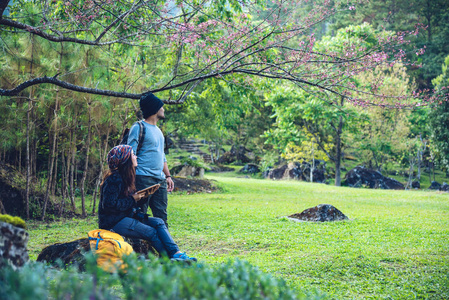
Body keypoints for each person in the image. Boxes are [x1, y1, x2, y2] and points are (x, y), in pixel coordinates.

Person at [98, 145, 196, 262]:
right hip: (114, 222)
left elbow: (130, 204)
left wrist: (143, 196)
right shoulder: (114, 179)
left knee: (159, 222)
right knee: (151, 232)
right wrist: (133, 199)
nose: (136, 157)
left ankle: (177, 253)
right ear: (126, 160)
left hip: (126, 217)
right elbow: (109, 205)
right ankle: (168, 259)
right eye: (133, 155)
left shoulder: (127, 177)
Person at [127, 92, 173, 227]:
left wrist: (168, 176)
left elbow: (161, 155)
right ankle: (139, 245)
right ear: (155, 109)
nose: (163, 109)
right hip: (143, 177)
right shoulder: (138, 127)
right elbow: (130, 153)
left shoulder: (159, 131)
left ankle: (164, 246)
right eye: (161, 106)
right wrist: (130, 178)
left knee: (162, 216)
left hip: (160, 179)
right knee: (140, 214)